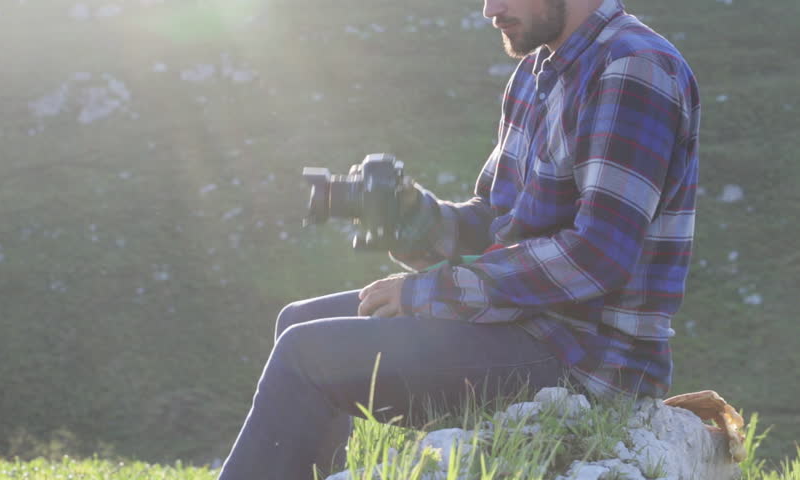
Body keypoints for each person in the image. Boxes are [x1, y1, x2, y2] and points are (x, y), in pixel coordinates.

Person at [217, 0, 700, 477]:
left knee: (307, 355)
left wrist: (426, 292)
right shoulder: (538, 71)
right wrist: (411, 216)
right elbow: (495, 221)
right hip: (526, 322)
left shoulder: (632, 70)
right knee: (298, 320)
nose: (490, 9)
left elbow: (597, 256)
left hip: (587, 357)